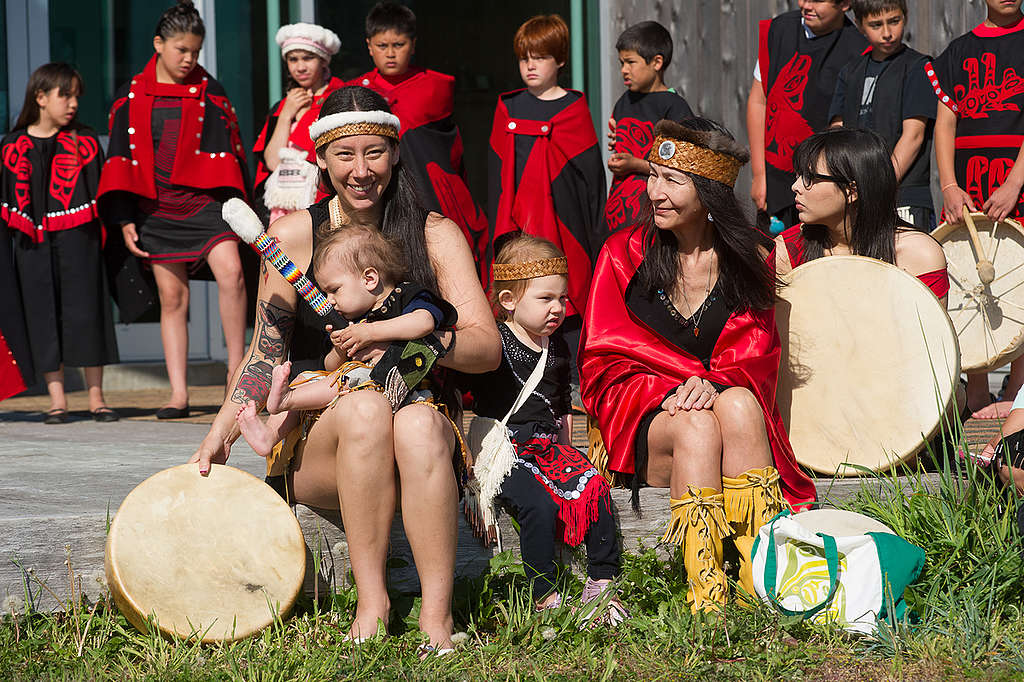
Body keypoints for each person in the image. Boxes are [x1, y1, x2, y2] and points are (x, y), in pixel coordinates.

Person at [190, 86, 501, 655]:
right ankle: (372, 601)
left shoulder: (434, 234)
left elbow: (485, 348)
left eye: (374, 153)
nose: (361, 171)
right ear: (323, 160)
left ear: (395, 153)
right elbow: (265, 356)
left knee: (421, 423)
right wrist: (219, 435)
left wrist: (410, 346)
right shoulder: (290, 239)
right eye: (345, 155)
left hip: (413, 432)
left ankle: (437, 616)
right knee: (363, 408)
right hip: (325, 440)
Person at [579, 117, 816, 613]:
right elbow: (602, 358)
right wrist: (671, 390)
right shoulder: (622, 254)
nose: (654, 192)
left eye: (672, 180)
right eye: (653, 175)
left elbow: (756, 351)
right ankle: (704, 588)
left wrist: (709, 383)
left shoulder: (751, 254)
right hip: (647, 420)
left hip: (719, 409)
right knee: (697, 428)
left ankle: (758, 578)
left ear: (708, 192)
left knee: (740, 406)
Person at [97, 0, 250, 419]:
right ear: (158, 44)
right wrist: (125, 216)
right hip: (156, 207)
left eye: (196, 52)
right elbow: (119, 159)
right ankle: (178, 394)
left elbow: (231, 151)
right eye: (182, 50)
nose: (189, 60)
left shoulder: (211, 91)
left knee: (233, 273)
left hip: (206, 203)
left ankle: (235, 377)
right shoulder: (130, 97)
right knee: (172, 297)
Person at [464, 234, 625, 623]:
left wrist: (570, 452)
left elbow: (559, 407)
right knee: (539, 504)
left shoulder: (558, 350)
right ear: (508, 301)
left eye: (562, 299)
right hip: (504, 451)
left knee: (594, 487)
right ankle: (543, 593)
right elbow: (457, 395)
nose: (557, 309)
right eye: (545, 299)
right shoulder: (493, 344)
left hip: (547, 447)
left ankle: (602, 581)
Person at [235, 223, 457, 456]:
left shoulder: (406, 296)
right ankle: (270, 435)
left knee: (349, 379)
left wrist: (370, 332)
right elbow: (331, 367)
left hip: (406, 386)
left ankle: (287, 399)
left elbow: (423, 323)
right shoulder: (351, 320)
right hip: (360, 397)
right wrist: (341, 349)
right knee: (307, 377)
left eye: (335, 290)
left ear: (369, 278)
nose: (329, 300)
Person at [0, 62, 119, 421]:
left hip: (78, 239)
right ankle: (57, 398)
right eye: (64, 95)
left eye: (76, 96)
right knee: (41, 315)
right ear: (40, 97)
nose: (72, 104)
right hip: (30, 244)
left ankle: (96, 397)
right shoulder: (11, 146)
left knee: (87, 311)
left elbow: (102, 196)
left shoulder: (85, 141)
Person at [488, 13, 607, 367]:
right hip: (515, 222)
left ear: (560, 60)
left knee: (564, 289)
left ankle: (568, 372)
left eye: (539, 57)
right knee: (519, 287)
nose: (530, 66)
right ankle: (518, 364)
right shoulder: (507, 107)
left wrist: (593, 236)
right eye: (524, 58)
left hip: (565, 222)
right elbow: (497, 175)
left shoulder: (573, 108)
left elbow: (592, 182)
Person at [931, 0, 1024, 418]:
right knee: (970, 280)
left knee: (1018, 282)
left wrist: (1015, 183)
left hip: (1015, 180)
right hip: (969, 185)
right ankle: (978, 396)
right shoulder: (957, 51)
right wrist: (949, 185)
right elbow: (945, 122)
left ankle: (1018, 393)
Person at [351, 2, 488, 272]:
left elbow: (449, 151)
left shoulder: (437, 86)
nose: (390, 53)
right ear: (369, 46)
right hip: (375, 193)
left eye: (399, 45)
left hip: (430, 191)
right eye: (382, 46)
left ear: (413, 45)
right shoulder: (355, 91)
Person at [774, 128, 949, 302]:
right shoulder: (787, 251)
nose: (795, 186)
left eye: (809, 178)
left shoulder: (919, 255)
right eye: (798, 175)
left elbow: (932, 328)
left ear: (852, 191)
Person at [747, 0, 866, 227]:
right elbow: (758, 101)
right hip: (775, 179)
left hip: (821, 183)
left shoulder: (858, 50)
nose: (806, 5)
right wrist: (759, 174)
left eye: (818, 0)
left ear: (845, 4)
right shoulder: (779, 30)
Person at [828, 0, 937, 231]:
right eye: (876, 25)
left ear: (905, 16)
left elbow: (914, 136)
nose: (887, 33)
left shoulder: (918, 67)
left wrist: (877, 187)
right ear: (859, 26)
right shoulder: (850, 72)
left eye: (894, 21)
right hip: (857, 197)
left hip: (904, 196)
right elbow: (837, 131)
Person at [606, 21, 694, 234]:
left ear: (656, 62)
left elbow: (680, 164)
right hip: (619, 210)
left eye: (630, 62)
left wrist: (634, 164)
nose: (624, 70)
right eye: (621, 63)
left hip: (656, 211)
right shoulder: (623, 102)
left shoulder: (674, 106)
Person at [253, 22, 343, 224]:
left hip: (323, 202)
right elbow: (273, 162)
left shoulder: (339, 99)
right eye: (293, 59)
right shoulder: (282, 107)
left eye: (308, 58)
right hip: (283, 208)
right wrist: (286, 115)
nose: (300, 67)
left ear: (323, 61)